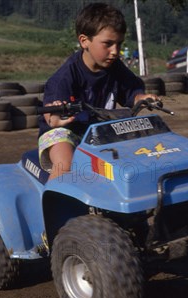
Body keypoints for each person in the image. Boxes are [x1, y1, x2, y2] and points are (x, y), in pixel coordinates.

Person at [38, 2, 158, 180]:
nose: (115, 51)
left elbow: (132, 92)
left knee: (143, 154)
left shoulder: (115, 68)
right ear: (84, 41)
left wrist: (142, 97)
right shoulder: (65, 77)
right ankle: (55, 205)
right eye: (108, 44)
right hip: (65, 132)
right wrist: (54, 117)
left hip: (100, 131)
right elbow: (52, 113)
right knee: (65, 165)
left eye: (119, 44)